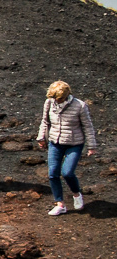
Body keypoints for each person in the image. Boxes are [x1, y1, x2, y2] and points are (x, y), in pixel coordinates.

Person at [36, 80, 97, 215]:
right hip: (55, 143)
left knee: (67, 172)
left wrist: (91, 146)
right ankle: (60, 204)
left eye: (59, 99)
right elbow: (45, 121)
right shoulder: (49, 103)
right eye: (54, 98)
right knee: (53, 174)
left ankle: (76, 194)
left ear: (66, 95)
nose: (56, 101)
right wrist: (41, 137)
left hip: (74, 144)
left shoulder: (80, 106)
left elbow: (88, 126)